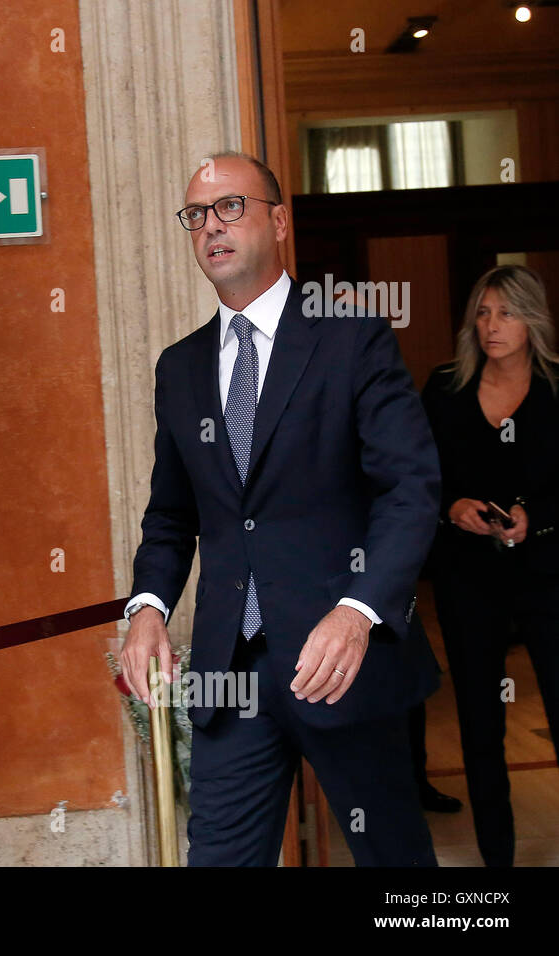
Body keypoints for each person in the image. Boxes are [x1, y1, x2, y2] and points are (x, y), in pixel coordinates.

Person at [118, 152, 442, 866]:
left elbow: (410, 489)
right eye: (197, 214)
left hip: (342, 662)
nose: (212, 227)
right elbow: (171, 516)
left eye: (231, 206)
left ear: (280, 221)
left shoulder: (350, 337)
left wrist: (360, 611)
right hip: (231, 675)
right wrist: (147, 608)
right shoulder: (180, 367)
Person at [420, 264, 559, 867]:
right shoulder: (445, 388)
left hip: (549, 574)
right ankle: (498, 864)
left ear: (533, 320)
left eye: (505, 313)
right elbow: (416, 475)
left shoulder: (556, 391)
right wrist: (452, 507)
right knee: (480, 723)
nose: (491, 326)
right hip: (468, 578)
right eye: (482, 312)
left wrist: (534, 515)